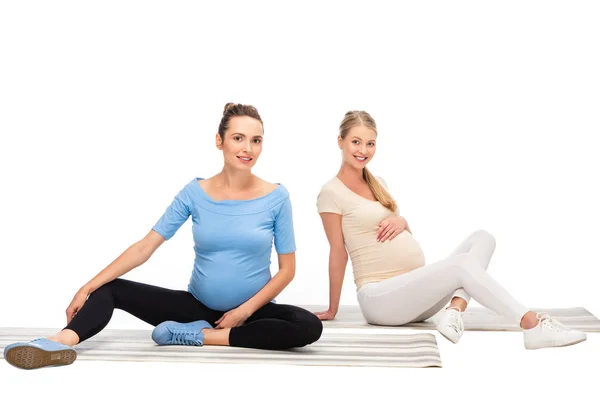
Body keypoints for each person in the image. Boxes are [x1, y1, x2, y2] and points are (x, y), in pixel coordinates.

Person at [4, 103, 323, 370]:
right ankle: (58, 344)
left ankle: (196, 336)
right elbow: (146, 247)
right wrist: (87, 287)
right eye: (238, 138)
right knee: (109, 289)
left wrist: (244, 311)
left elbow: (287, 270)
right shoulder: (194, 193)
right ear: (219, 140)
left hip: (253, 312)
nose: (248, 148)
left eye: (256, 140)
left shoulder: (276, 198)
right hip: (197, 307)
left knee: (309, 326)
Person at [314, 110, 586, 350]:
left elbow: (396, 231)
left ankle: (455, 310)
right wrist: (332, 308)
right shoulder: (331, 193)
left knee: (483, 238)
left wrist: (403, 221)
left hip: (416, 297)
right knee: (460, 265)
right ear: (340, 142)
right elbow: (338, 251)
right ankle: (531, 325)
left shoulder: (379, 183)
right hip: (380, 300)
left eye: (370, 143)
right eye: (356, 142)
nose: (363, 150)